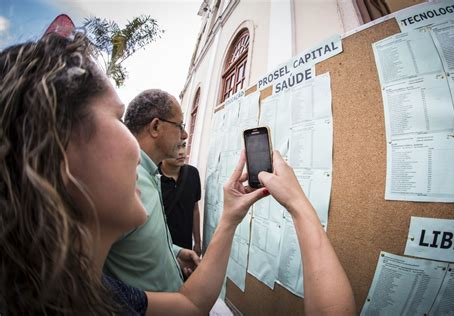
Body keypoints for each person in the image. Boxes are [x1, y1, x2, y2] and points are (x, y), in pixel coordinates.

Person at [0, 32, 356, 315]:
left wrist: (227, 219)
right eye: (115, 118)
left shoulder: (101, 293)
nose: (186, 136)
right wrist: (299, 205)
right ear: (60, 151)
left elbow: (189, 305)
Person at [103, 89, 200, 292]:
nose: (184, 134)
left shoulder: (151, 174)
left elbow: (134, 245)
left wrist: (175, 252)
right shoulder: (125, 182)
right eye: (180, 125)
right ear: (155, 126)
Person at [159, 141, 202, 256]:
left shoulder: (193, 174)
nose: (182, 152)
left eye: (183, 145)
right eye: (175, 147)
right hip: (159, 249)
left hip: (186, 247)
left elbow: (195, 209)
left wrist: (197, 242)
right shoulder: (152, 176)